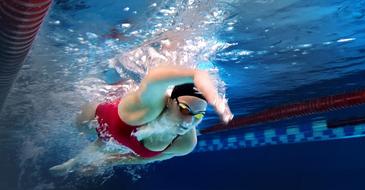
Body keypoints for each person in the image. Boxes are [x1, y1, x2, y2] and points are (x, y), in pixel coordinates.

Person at [49, 64, 233, 176]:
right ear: (169, 101)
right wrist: (196, 75)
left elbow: (142, 160)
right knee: (79, 129)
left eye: (198, 116)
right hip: (98, 115)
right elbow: (153, 78)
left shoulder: (185, 142)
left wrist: (104, 162)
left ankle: (70, 164)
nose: (188, 122)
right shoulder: (147, 108)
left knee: (103, 141)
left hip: (112, 135)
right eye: (184, 109)